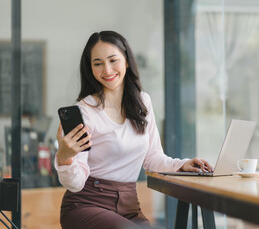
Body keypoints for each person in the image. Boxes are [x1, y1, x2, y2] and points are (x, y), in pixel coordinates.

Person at [55, 30, 213, 229]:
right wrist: (65, 157)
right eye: (98, 63)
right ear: (90, 68)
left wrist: (182, 165)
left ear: (127, 61)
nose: (107, 69)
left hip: (129, 207)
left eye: (113, 60)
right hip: (86, 205)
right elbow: (75, 184)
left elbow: (152, 158)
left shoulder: (142, 102)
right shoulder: (86, 112)